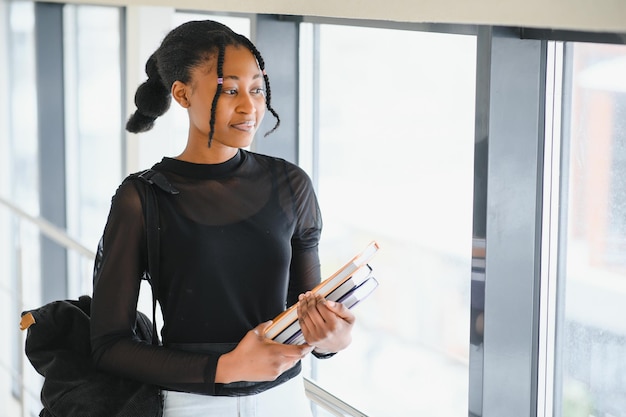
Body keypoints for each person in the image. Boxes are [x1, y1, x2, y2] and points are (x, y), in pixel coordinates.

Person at [89, 19, 355, 417]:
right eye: (229, 90)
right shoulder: (141, 198)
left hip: (285, 402)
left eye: (256, 89)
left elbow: (305, 312)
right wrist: (225, 368)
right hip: (190, 405)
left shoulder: (291, 184)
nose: (249, 106)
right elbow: (109, 346)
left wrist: (332, 338)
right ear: (182, 94)